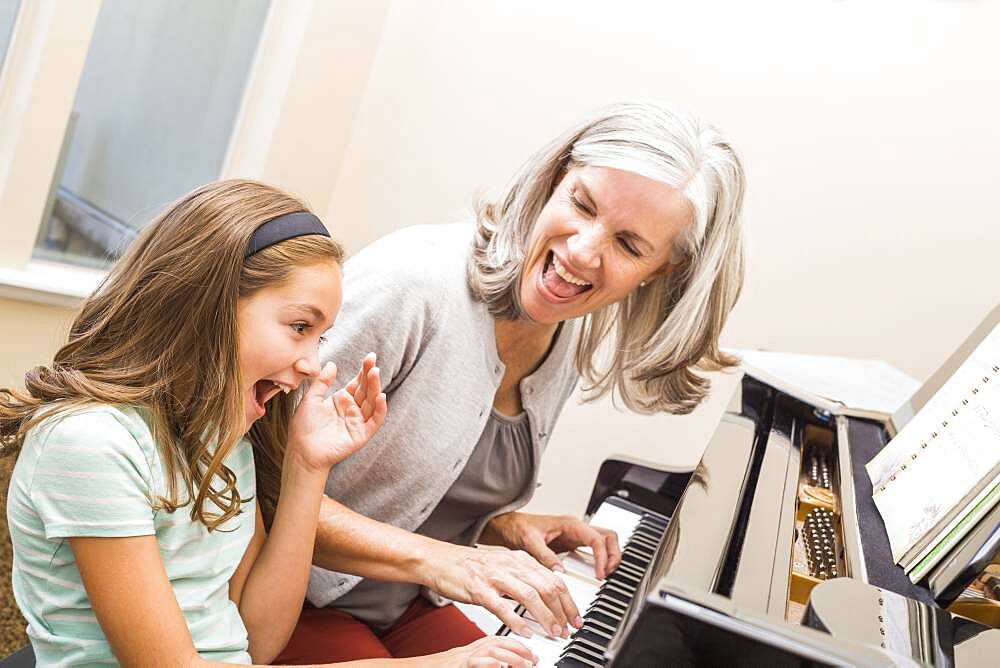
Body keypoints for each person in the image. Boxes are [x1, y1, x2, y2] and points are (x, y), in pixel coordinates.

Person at [275, 101, 747, 663]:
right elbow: (259, 481)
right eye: (581, 204)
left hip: (401, 601)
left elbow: (412, 489)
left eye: (628, 245)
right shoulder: (413, 284)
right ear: (552, 181)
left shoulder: (566, 325)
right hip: (289, 596)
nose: (581, 250)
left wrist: (502, 526)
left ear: (663, 270)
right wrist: (448, 561)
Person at [1, 180, 535, 667]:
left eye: (318, 338)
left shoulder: (225, 440)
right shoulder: (89, 443)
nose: (311, 364)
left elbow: (255, 640)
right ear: (207, 305)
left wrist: (307, 465)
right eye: (298, 327)